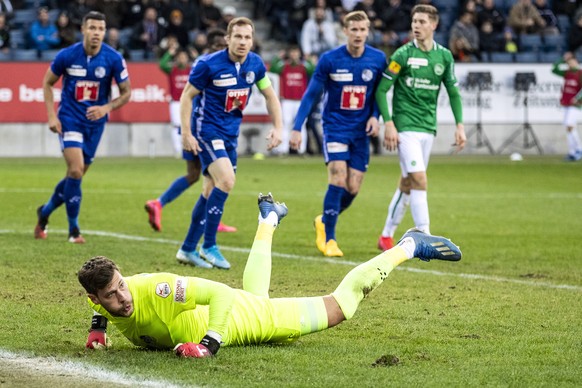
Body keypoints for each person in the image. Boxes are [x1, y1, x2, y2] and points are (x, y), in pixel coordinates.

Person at [78, 193, 462, 356]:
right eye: (111, 296)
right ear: (96, 299)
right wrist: (99, 326)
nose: (122, 297)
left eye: (122, 286)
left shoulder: (158, 289)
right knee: (255, 291)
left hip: (251, 321)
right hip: (245, 309)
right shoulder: (106, 303)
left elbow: (222, 295)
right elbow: (105, 298)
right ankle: (269, 218)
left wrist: (209, 344)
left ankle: (409, 246)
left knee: (340, 307)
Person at [176, 17, 283, 269]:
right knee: (226, 181)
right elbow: (186, 97)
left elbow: (270, 95)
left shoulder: (255, 64)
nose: (243, 42)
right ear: (227, 39)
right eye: (238, 37)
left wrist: (278, 127)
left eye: (247, 37)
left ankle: (188, 248)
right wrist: (186, 133)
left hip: (230, 134)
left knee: (209, 190)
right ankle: (209, 245)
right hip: (207, 130)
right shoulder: (208, 65)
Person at [291, 10, 387, 257]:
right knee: (337, 177)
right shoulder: (330, 59)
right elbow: (311, 94)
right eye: (353, 29)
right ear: (344, 31)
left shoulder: (377, 59)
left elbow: (379, 93)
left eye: (362, 29)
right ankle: (330, 239)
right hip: (334, 127)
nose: (358, 34)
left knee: (353, 187)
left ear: (368, 31)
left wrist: (376, 117)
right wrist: (296, 127)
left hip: (361, 131)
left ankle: (323, 219)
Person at [34, 11, 131, 244]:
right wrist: (51, 116)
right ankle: (74, 230)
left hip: (95, 125)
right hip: (69, 119)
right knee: (76, 170)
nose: (96, 33)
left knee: (74, 176)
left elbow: (127, 92)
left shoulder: (114, 58)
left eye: (100, 29)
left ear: (104, 32)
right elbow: (47, 82)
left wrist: (106, 108)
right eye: (92, 28)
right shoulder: (67, 55)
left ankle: (45, 213)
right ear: (83, 30)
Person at [375, 4, 465, 251]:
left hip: (428, 128)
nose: (416, 26)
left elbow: (454, 93)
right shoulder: (402, 55)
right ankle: (424, 235)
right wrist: (389, 124)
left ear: (434, 25)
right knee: (420, 179)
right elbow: (382, 91)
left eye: (422, 22)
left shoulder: (444, 56)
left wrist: (460, 125)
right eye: (414, 21)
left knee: (408, 183)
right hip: (405, 127)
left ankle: (386, 235)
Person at [145, 29, 237, 234]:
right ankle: (211, 220)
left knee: (196, 174)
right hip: (204, 129)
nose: (224, 50)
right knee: (218, 176)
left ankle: (159, 204)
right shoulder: (208, 64)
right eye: (221, 46)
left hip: (200, 126)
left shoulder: (209, 63)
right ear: (213, 47)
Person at [269, 45, 316, 155]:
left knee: (301, 125)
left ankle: (301, 149)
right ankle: (283, 149)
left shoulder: (304, 66)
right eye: (292, 52)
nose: (294, 55)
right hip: (287, 100)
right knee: (286, 124)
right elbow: (272, 69)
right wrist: (277, 57)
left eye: (296, 52)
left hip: (301, 101)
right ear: (289, 54)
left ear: (299, 54)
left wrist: (308, 59)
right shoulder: (284, 66)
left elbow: (314, 71)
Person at [551, 51, 582, 161]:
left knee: (569, 124)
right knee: (569, 128)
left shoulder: (580, 73)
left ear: (577, 62)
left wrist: (578, 98)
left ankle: (579, 149)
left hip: (576, 105)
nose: (570, 64)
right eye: (569, 62)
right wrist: (562, 59)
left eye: (572, 62)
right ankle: (572, 152)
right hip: (566, 103)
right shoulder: (567, 73)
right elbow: (554, 69)